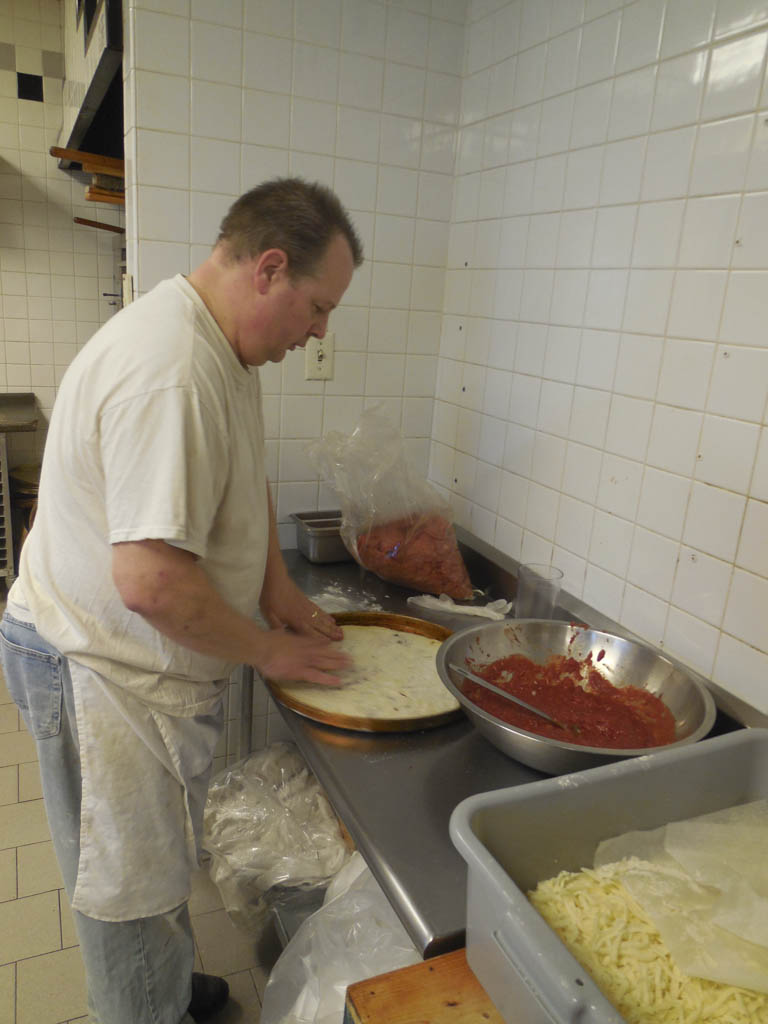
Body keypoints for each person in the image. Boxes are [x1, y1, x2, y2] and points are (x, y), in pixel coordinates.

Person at [0, 178, 364, 1024]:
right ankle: (141, 1006)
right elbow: (152, 583)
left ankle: (160, 987)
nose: (319, 332)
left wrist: (274, 588)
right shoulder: (172, 370)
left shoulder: (224, 348)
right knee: (125, 887)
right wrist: (271, 651)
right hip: (95, 673)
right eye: (318, 307)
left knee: (159, 864)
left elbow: (249, 474)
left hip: (134, 670)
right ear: (270, 268)